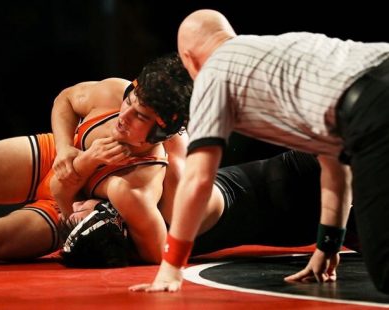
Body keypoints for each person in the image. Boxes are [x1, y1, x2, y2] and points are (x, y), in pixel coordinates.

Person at [131, 9, 389, 293]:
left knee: (384, 267)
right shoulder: (280, 51)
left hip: (373, 108)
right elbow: (334, 164)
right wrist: (327, 245)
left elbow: (198, 180)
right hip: (377, 73)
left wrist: (171, 267)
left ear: (189, 59)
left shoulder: (214, 72)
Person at [0, 53, 192, 264]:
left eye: (140, 116)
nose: (125, 116)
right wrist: (64, 149)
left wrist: (102, 236)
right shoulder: (112, 93)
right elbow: (65, 99)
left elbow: (160, 254)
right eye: (130, 101)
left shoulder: (141, 182)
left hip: (64, 209)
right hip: (52, 158)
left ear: (160, 131)